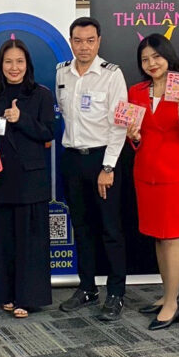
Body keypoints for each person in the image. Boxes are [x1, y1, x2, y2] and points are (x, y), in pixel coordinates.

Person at [125, 34, 179, 330]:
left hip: (176, 175)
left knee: (171, 236)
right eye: (145, 59)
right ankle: (166, 293)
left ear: (168, 57)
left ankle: (173, 301)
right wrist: (134, 137)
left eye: (156, 57)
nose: (151, 63)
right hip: (145, 173)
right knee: (158, 236)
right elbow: (136, 137)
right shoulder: (136, 91)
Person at [55, 17, 129, 321]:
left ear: (98, 41)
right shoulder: (61, 72)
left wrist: (108, 166)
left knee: (110, 230)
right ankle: (87, 287)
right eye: (77, 40)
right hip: (72, 158)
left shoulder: (112, 75)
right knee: (81, 228)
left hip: (103, 160)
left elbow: (120, 124)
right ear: (71, 41)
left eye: (89, 40)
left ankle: (116, 293)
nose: (83, 47)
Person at [0, 39, 56, 318]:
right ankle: (7, 295)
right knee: (3, 241)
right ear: (1, 65)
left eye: (19, 62)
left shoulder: (41, 95)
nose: (14, 67)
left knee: (30, 242)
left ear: (28, 65)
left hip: (30, 182)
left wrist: (21, 118)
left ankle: (28, 298)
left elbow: (48, 132)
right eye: (9, 62)